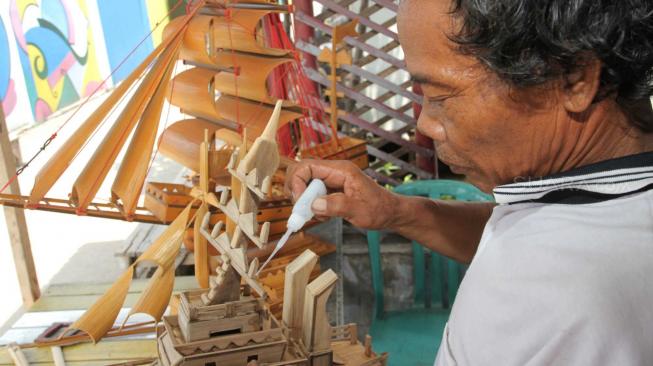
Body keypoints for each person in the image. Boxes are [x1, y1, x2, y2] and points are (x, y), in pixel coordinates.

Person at [285, 0, 653, 365]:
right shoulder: (601, 209)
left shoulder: (531, 284)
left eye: (439, 96)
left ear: (575, 77)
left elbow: (533, 248)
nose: (425, 124)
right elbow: (527, 225)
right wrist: (395, 211)